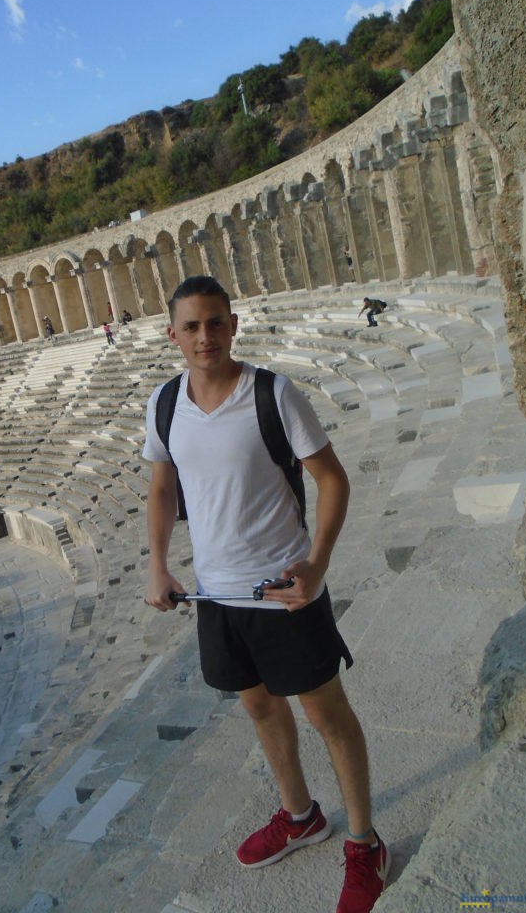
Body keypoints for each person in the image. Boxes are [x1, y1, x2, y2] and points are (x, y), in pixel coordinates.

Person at [143, 275, 389, 913]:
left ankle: (365, 845)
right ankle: (301, 816)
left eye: (215, 323)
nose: (206, 337)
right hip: (215, 596)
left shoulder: (273, 394)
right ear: (173, 335)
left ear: (234, 324)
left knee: (326, 715)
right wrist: (158, 565)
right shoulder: (165, 404)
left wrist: (316, 563)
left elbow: (332, 480)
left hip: (284, 593)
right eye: (192, 326)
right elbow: (164, 489)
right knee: (258, 708)